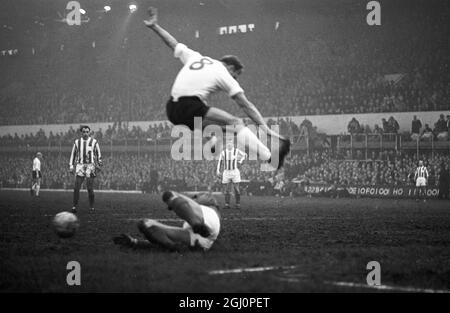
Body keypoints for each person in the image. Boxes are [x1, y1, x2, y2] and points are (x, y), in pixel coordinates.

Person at [143, 7, 290, 169]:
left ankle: (212, 139)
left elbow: (173, 43)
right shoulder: (223, 73)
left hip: (171, 110)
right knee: (236, 122)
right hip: (189, 105)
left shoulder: (196, 57)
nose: (234, 79)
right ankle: (269, 158)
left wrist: (155, 26)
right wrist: (266, 129)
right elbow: (246, 106)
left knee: (223, 128)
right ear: (231, 67)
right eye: (236, 75)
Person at [113, 191, 221, 251]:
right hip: (201, 242)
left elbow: (180, 199)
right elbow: (160, 240)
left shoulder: (208, 209)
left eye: (197, 196)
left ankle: (196, 225)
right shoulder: (198, 213)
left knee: (171, 195)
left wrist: (176, 200)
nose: (194, 197)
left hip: (204, 224)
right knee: (146, 223)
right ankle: (175, 248)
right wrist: (136, 243)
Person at [69, 125, 103, 213]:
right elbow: (73, 154)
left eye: (87, 132)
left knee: (90, 188)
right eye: (84, 132)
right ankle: (74, 206)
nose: (85, 133)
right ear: (81, 132)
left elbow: (98, 153)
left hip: (90, 166)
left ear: (89, 132)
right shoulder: (77, 142)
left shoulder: (94, 141)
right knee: (76, 187)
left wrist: (99, 164)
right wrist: (71, 166)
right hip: (80, 166)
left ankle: (91, 207)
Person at [217, 139, 247, 209]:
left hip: (235, 172)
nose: (229, 145)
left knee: (236, 188)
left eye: (230, 144)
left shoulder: (236, 151)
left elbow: (245, 155)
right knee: (227, 189)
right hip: (226, 172)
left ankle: (238, 204)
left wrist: (240, 161)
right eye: (228, 144)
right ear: (226, 145)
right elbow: (219, 161)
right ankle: (227, 204)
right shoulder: (223, 152)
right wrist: (217, 170)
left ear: (233, 144)